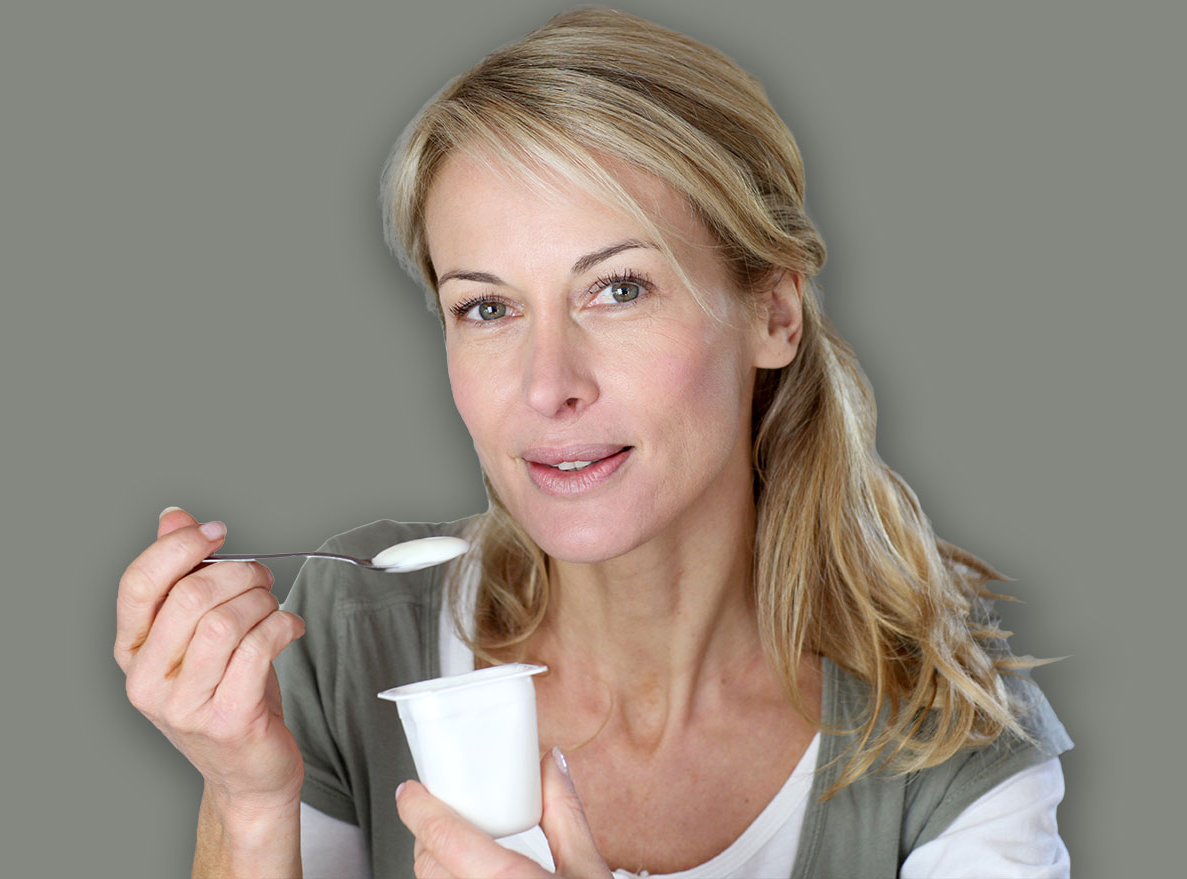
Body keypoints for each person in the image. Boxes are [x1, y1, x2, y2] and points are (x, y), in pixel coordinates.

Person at [114, 8, 1072, 878]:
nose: (546, 385)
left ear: (774, 312)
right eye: (487, 307)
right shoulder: (351, 635)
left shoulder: (950, 743)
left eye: (619, 289)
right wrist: (246, 801)